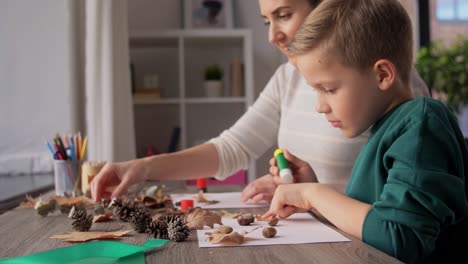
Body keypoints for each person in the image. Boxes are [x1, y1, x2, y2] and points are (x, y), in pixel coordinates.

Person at [90, 0, 429, 203]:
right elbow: (231, 149)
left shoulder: (388, 88)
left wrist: (312, 196)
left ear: (324, 10)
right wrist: (142, 168)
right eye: (267, 20)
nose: (271, 35)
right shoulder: (287, 78)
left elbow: (398, 214)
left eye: (283, 14)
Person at [262, 0, 468, 262]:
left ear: (382, 75)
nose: (319, 106)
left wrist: (313, 194)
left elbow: (401, 239)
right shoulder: (387, 128)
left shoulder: (421, 126)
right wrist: (313, 190)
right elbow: (370, 230)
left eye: (329, 89)